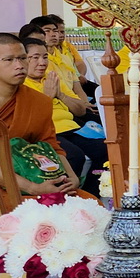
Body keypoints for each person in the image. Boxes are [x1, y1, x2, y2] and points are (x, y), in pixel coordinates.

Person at [0, 33, 79, 195]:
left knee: (85, 203)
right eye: (9, 60)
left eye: (23, 58)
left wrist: (72, 178)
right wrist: (32, 188)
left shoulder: (38, 101)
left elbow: (50, 145)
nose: (19, 65)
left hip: (32, 174)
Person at [24, 34, 105, 188]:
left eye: (45, 57)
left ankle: (91, 193)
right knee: (74, 156)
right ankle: (61, 196)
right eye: (35, 58)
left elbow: (80, 111)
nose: (42, 63)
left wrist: (60, 95)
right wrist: (48, 97)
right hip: (49, 131)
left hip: (71, 127)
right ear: (22, 59)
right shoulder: (21, 84)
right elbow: (32, 120)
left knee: (106, 149)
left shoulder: (51, 78)